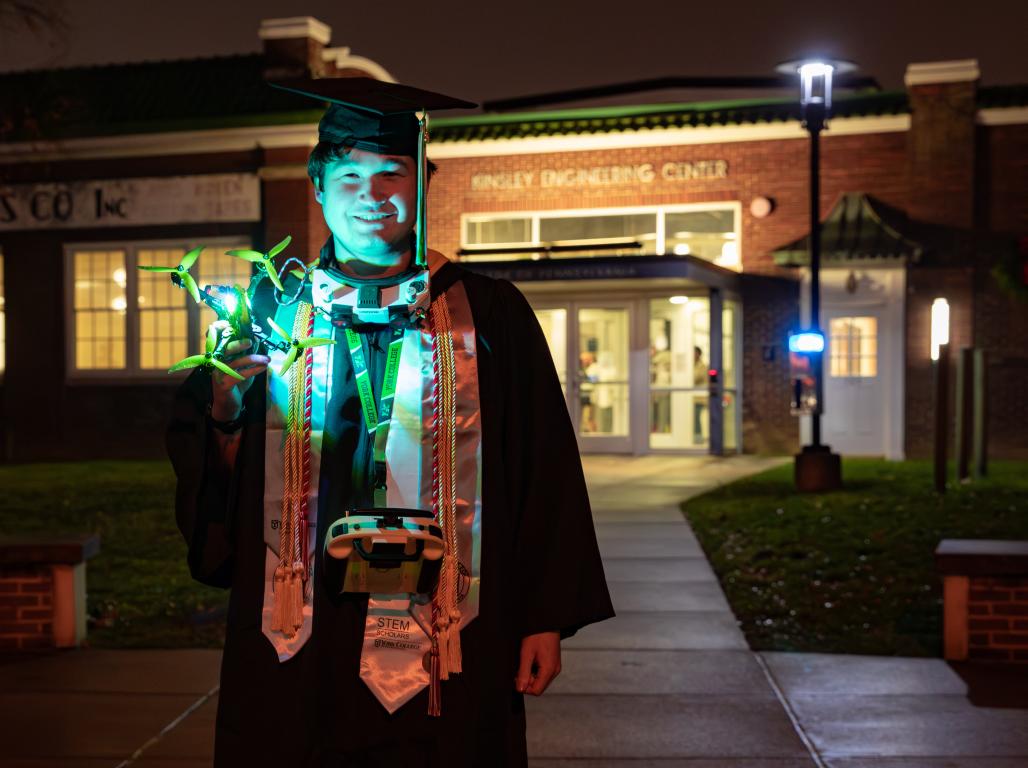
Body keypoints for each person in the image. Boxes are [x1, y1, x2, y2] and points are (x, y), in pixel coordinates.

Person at [166, 77, 613, 767]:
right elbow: (219, 492)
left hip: (451, 627)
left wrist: (543, 619)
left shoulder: (489, 316)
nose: (371, 197)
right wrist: (223, 405)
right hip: (304, 637)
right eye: (348, 175)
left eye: (391, 173)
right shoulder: (272, 319)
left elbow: (544, 470)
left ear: (423, 185)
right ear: (318, 187)